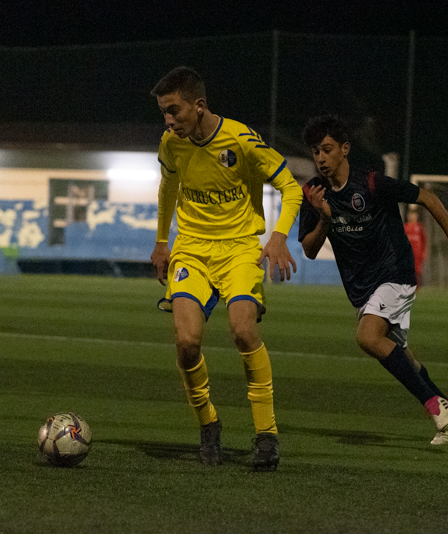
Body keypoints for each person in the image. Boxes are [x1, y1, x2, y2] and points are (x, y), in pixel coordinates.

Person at [150, 67, 303, 468]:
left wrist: (279, 236)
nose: (168, 120)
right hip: (192, 250)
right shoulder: (171, 143)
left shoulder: (241, 139)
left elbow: (291, 188)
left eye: (174, 110)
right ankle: (208, 423)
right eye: (164, 112)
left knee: (243, 331)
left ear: (199, 106)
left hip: (239, 250)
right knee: (186, 343)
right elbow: (168, 188)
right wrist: (162, 242)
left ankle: (266, 435)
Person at [298, 114, 448, 445]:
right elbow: (308, 249)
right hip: (361, 288)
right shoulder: (312, 193)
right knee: (398, 354)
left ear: (345, 149)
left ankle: (436, 407)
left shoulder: (370, 183)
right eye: (315, 151)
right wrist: (324, 219)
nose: (320, 158)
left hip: (395, 272)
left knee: (368, 337)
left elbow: (428, 198)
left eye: (327, 149)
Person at [403, 206, 428, 285]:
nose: (412, 216)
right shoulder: (405, 227)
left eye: (414, 214)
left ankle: (417, 287)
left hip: (417, 254)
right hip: (408, 254)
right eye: (410, 214)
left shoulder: (419, 227)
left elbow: (424, 241)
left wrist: (424, 252)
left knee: (417, 271)